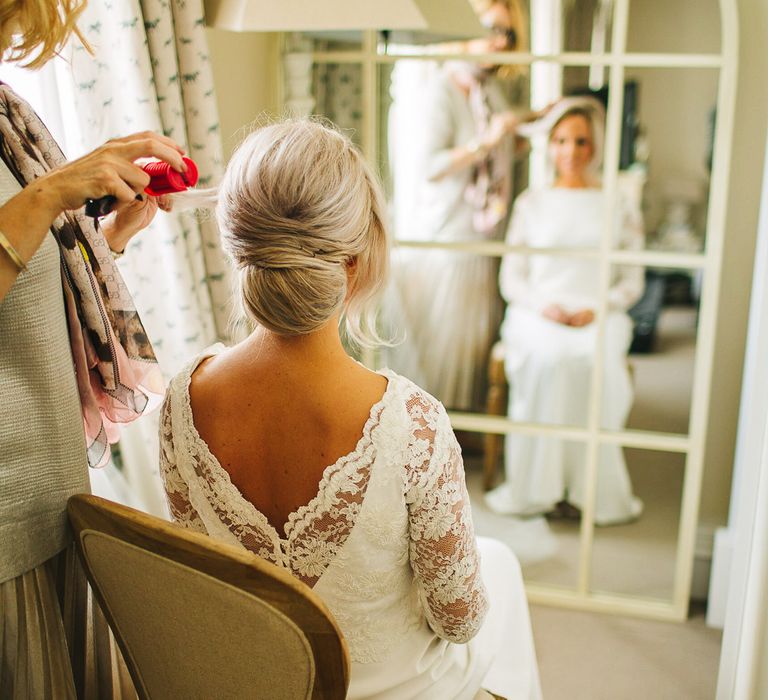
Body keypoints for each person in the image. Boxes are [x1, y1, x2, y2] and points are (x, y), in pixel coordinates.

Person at [158, 119, 542, 699]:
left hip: (247, 683)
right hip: (392, 691)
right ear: (356, 259)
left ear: (237, 245)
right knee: (503, 577)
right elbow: (459, 620)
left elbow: (204, 581)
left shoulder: (183, 399)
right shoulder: (412, 425)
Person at [0, 2, 187, 695]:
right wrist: (51, 193)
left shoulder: (8, 115)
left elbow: (20, 292)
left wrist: (106, 241)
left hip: (50, 505)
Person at [485, 97, 645, 526]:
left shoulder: (618, 203)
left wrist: (599, 307)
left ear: (595, 147)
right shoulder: (531, 203)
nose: (570, 152)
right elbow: (512, 278)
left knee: (595, 364)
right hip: (539, 312)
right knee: (547, 360)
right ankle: (538, 487)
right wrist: (544, 305)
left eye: (580, 142)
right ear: (549, 146)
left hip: (598, 312)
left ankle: (589, 489)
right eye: (560, 141)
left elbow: (632, 279)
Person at [385, 0, 528, 412]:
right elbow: (428, 166)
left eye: (509, 34)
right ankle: (433, 432)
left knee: (471, 348)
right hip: (444, 237)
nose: (500, 43)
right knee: (443, 349)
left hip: (480, 233)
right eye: (492, 29)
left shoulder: (488, 90)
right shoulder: (437, 90)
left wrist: (523, 131)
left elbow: (496, 153)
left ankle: (460, 433)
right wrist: (486, 141)